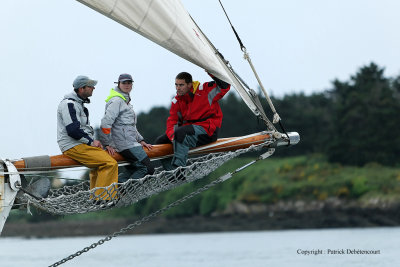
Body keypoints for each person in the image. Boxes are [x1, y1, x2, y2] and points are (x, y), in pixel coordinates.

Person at [57, 75, 118, 201]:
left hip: (79, 143)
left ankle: (95, 198)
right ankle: (102, 199)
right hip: (72, 145)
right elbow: (72, 130)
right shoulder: (69, 104)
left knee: (97, 166)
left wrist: (93, 142)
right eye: (90, 86)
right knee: (109, 163)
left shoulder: (79, 105)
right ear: (81, 89)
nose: (93, 88)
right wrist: (91, 142)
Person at [155, 71, 230, 171]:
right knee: (160, 141)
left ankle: (179, 169)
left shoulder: (205, 90)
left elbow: (225, 86)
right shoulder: (177, 101)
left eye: (181, 85)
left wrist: (209, 69)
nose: (178, 88)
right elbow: (172, 122)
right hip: (189, 132)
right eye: (176, 85)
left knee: (180, 132)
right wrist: (173, 137)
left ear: (190, 84)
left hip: (208, 131)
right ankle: (172, 174)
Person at [100, 73, 154, 182]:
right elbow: (105, 123)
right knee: (147, 169)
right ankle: (121, 193)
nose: (127, 85)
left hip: (131, 142)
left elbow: (130, 126)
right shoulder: (117, 101)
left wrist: (140, 140)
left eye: (129, 82)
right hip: (125, 144)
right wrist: (107, 143)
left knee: (133, 170)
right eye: (124, 82)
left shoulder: (125, 102)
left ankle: (115, 191)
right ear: (118, 84)